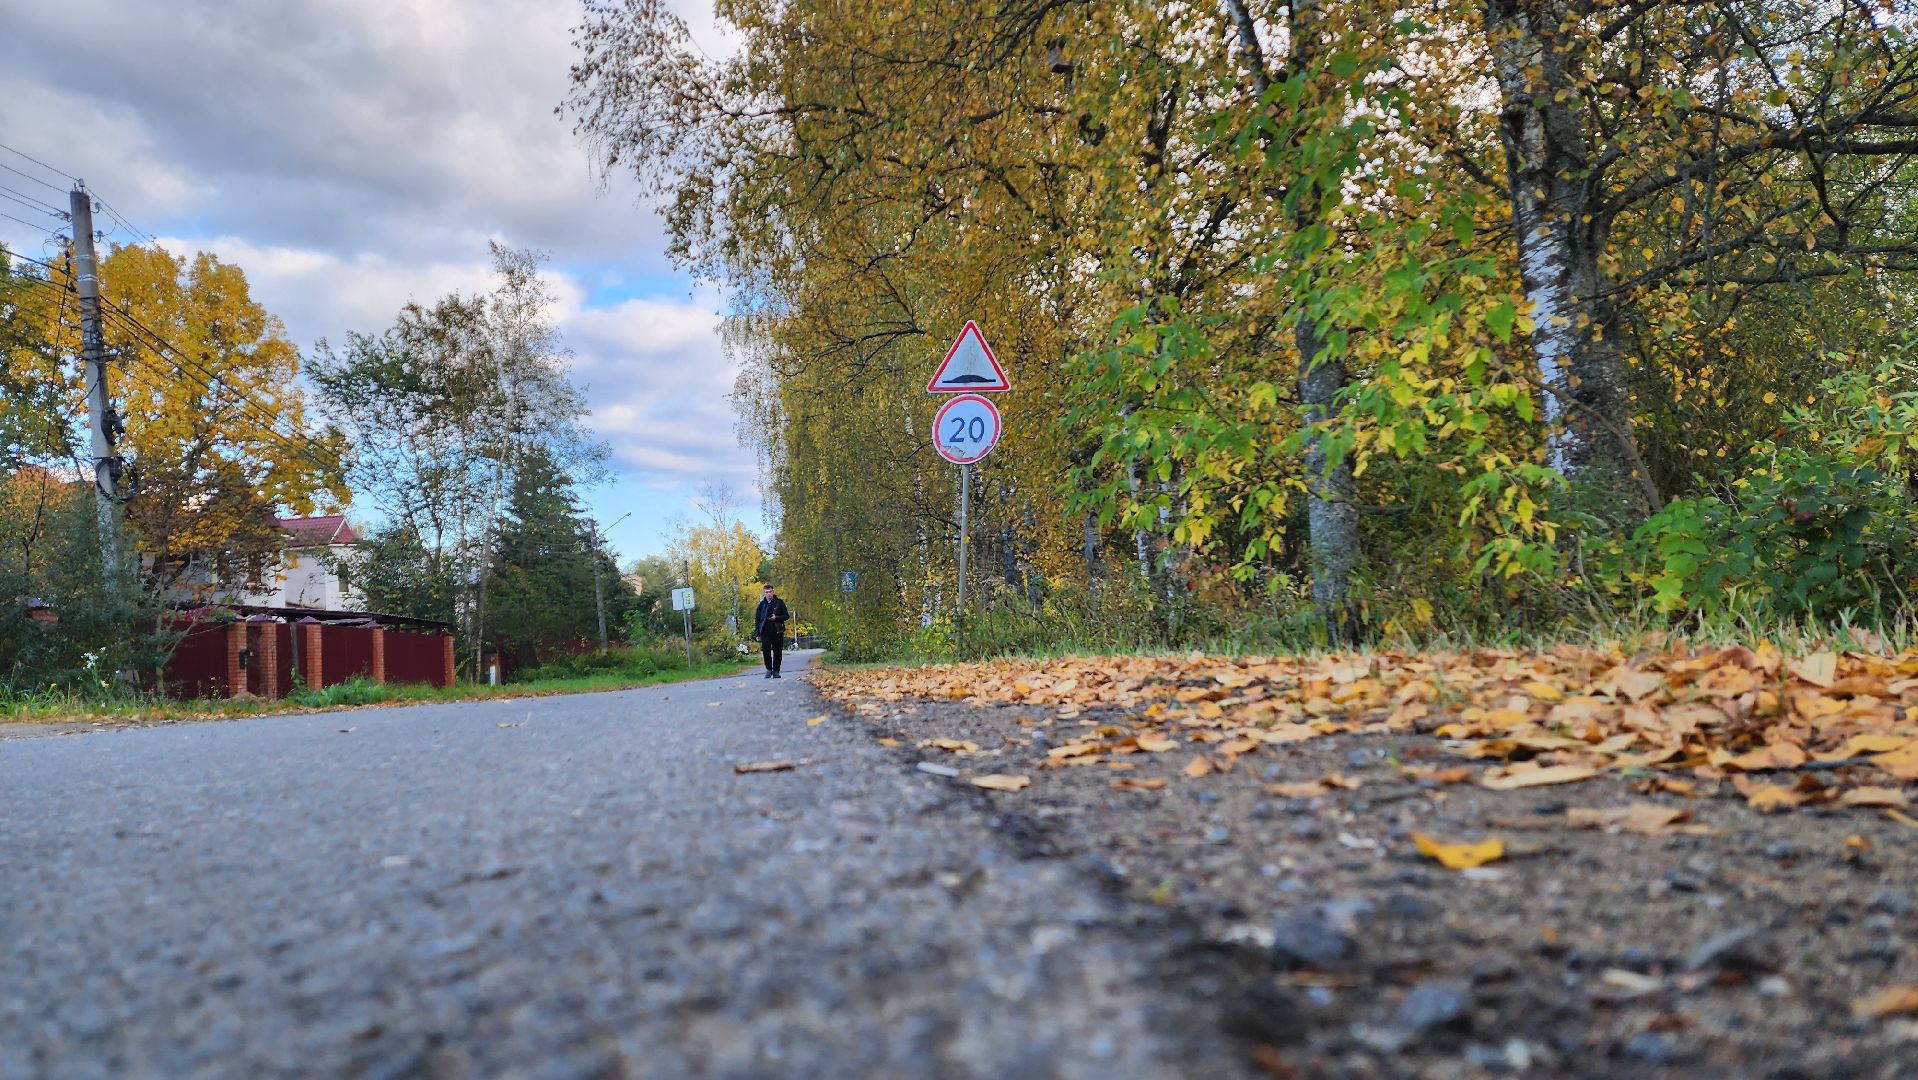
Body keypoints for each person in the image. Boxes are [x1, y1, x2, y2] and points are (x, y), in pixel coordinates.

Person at [752, 584, 791, 679]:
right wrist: (757, 633)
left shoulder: (779, 603)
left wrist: (776, 617)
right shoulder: (761, 605)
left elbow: (786, 616)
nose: (769, 594)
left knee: (778, 651)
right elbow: (757, 619)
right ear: (764, 593)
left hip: (777, 631)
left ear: (773, 592)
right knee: (766, 651)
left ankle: (776, 671)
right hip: (765, 631)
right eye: (767, 592)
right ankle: (769, 669)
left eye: (770, 592)